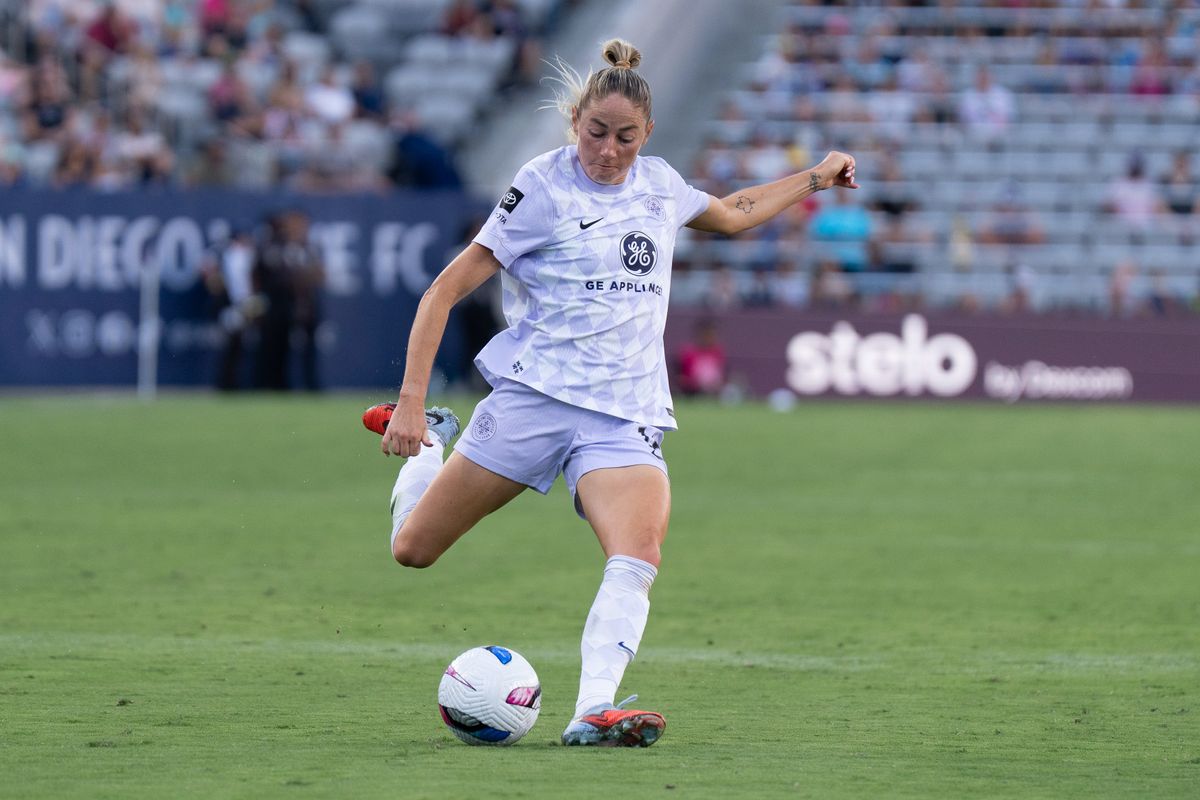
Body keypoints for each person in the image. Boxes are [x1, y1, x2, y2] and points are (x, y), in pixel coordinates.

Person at [362, 39, 857, 747]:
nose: (609, 150)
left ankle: (595, 707)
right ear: (575, 125)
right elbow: (443, 292)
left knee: (637, 555)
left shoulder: (659, 185)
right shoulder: (540, 187)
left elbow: (736, 211)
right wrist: (410, 404)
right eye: (596, 133)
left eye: (626, 137)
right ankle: (432, 444)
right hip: (533, 400)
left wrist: (814, 176)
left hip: (623, 414)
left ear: (647, 134)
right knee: (413, 549)